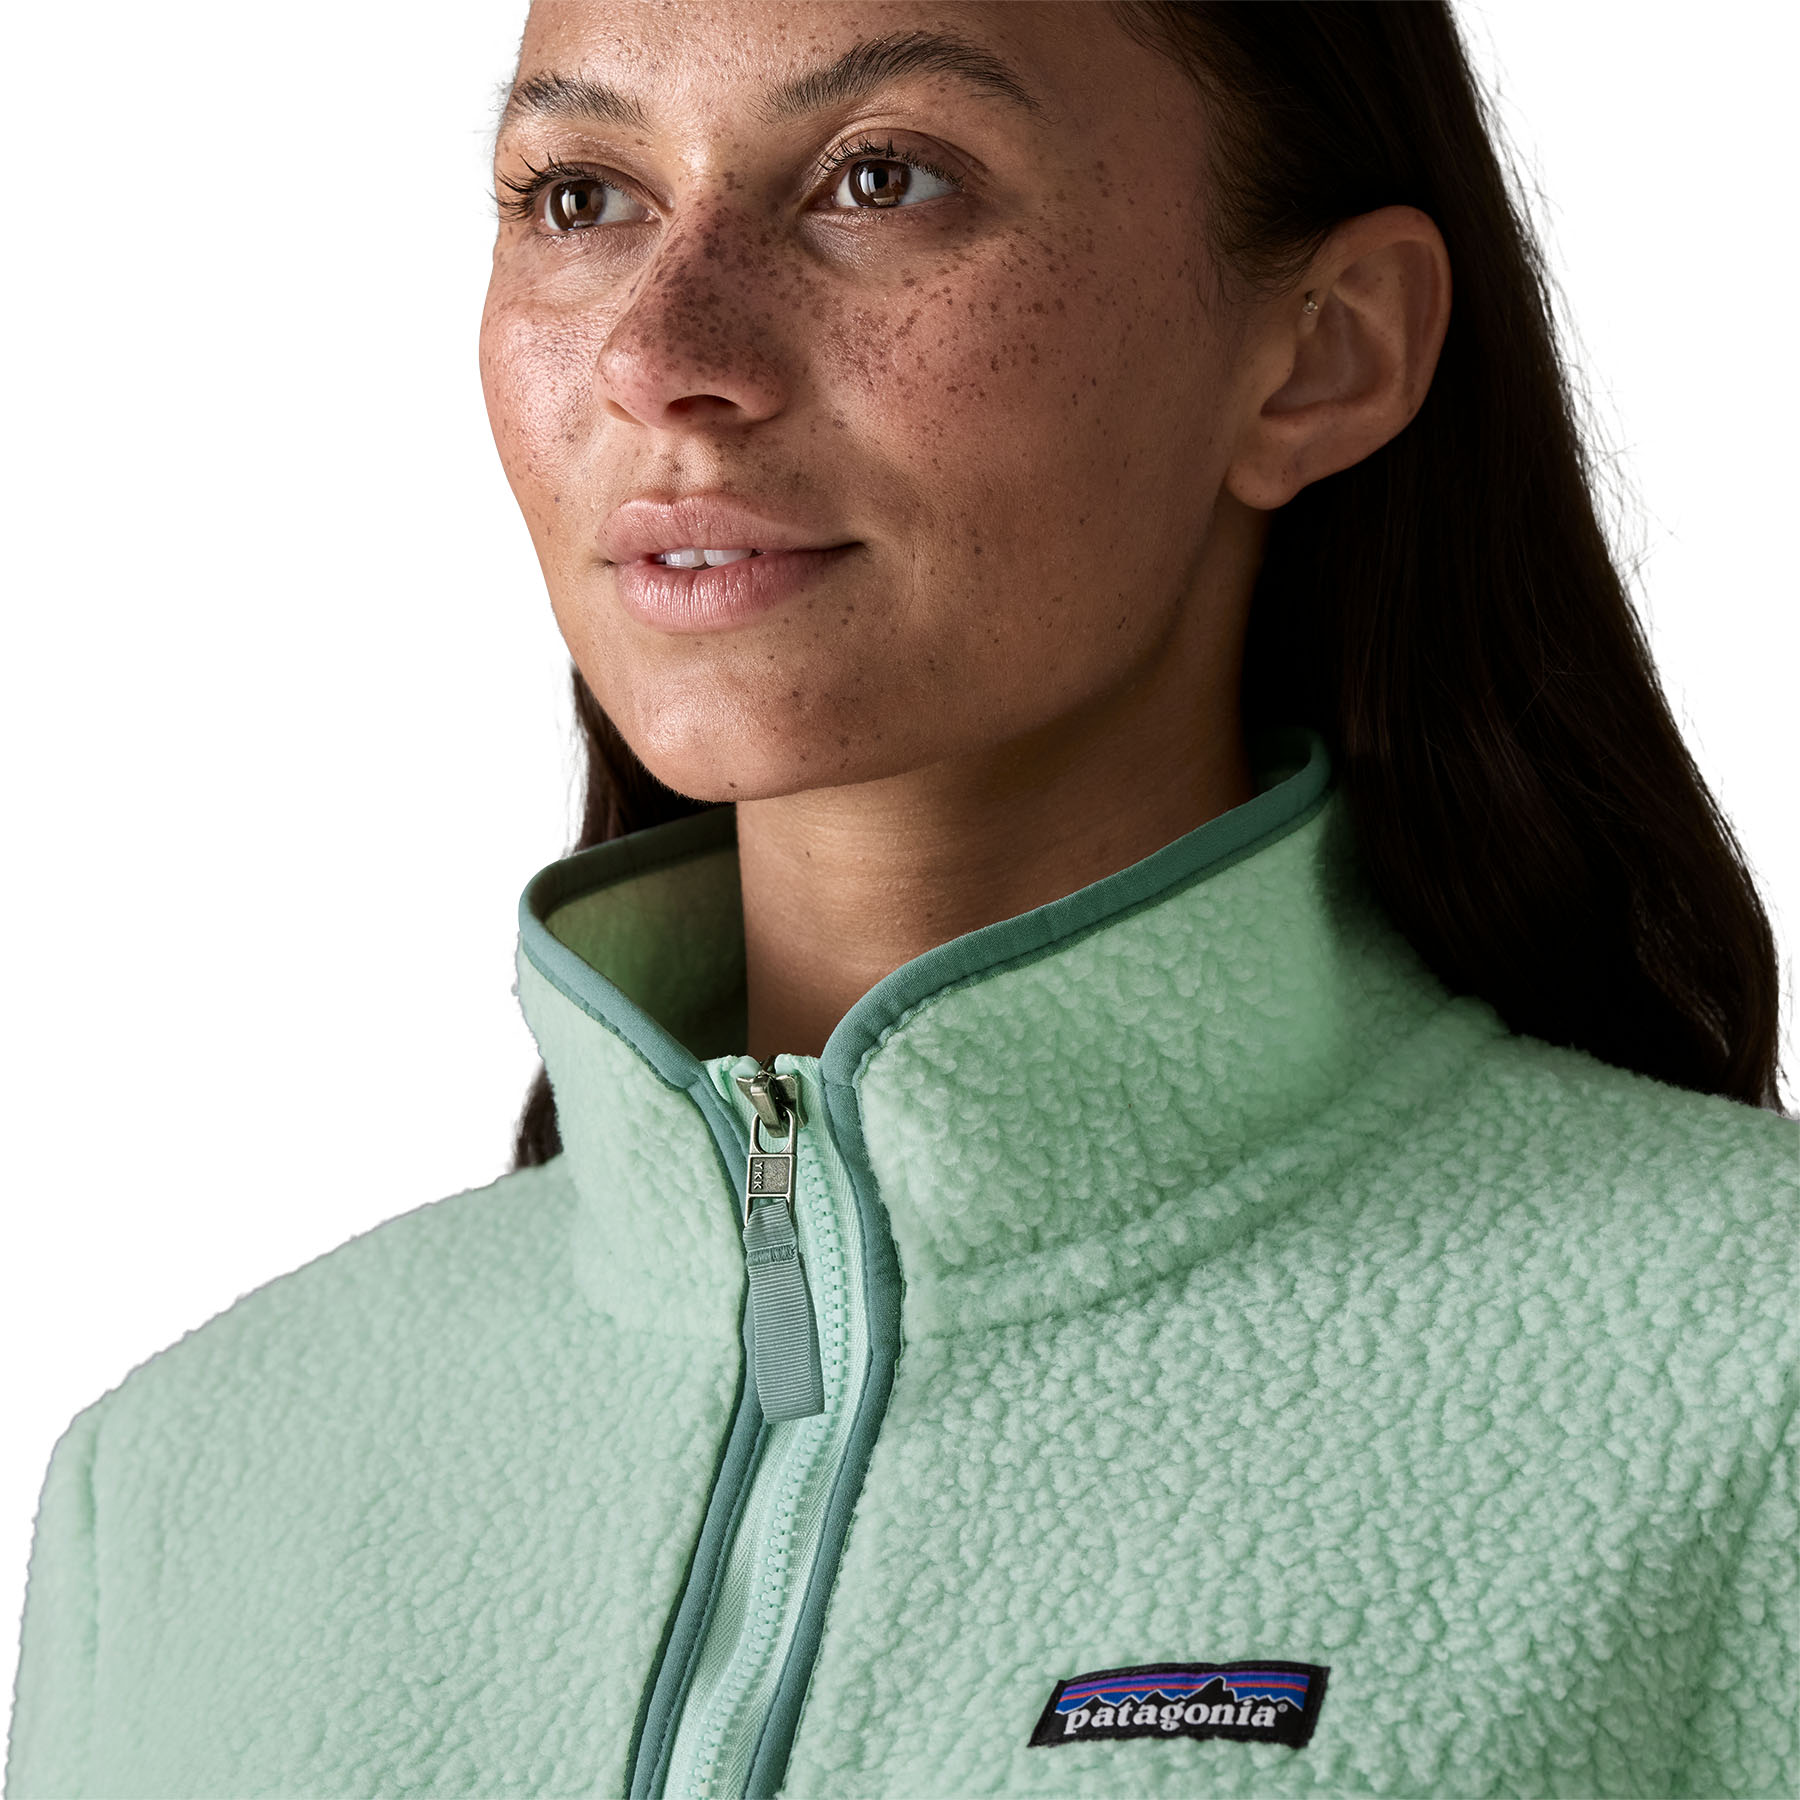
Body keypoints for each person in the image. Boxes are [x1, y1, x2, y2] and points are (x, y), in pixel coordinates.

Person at [8, 2, 1795, 1796]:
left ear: (1324, 350)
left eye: (882, 179)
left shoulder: (1749, 1385)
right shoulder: (168, 1501)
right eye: (580, 198)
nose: (662, 355)